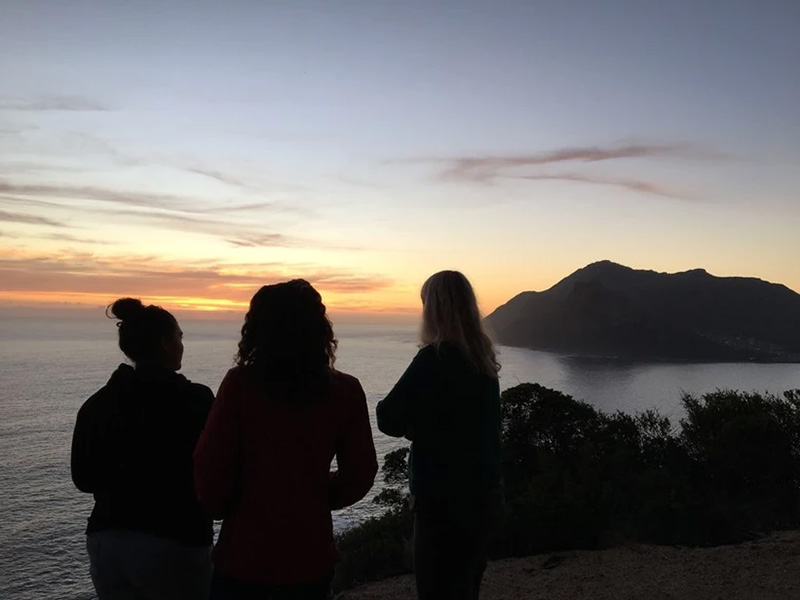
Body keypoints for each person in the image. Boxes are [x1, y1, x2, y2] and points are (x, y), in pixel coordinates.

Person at [194, 279, 378, 600]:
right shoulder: (345, 390)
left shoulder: (239, 386)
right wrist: (314, 495)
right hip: (310, 554)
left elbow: (210, 474)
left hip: (243, 556)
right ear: (320, 330)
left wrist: (231, 504)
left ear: (257, 331)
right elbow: (360, 474)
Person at [71, 298, 214, 600]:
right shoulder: (195, 400)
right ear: (164, 344)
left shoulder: (97, 404)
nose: (181, 345)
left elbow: (83, 480)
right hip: (174, 541)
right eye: (179, 337)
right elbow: (215, 464)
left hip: (107, 541)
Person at [376, 270, 503, 600]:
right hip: (484, 497)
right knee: (466, 588)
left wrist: (417, 427)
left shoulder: (433, 358)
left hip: (441, 502)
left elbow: (387, 416)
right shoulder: (483, 362)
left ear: (434, 309)